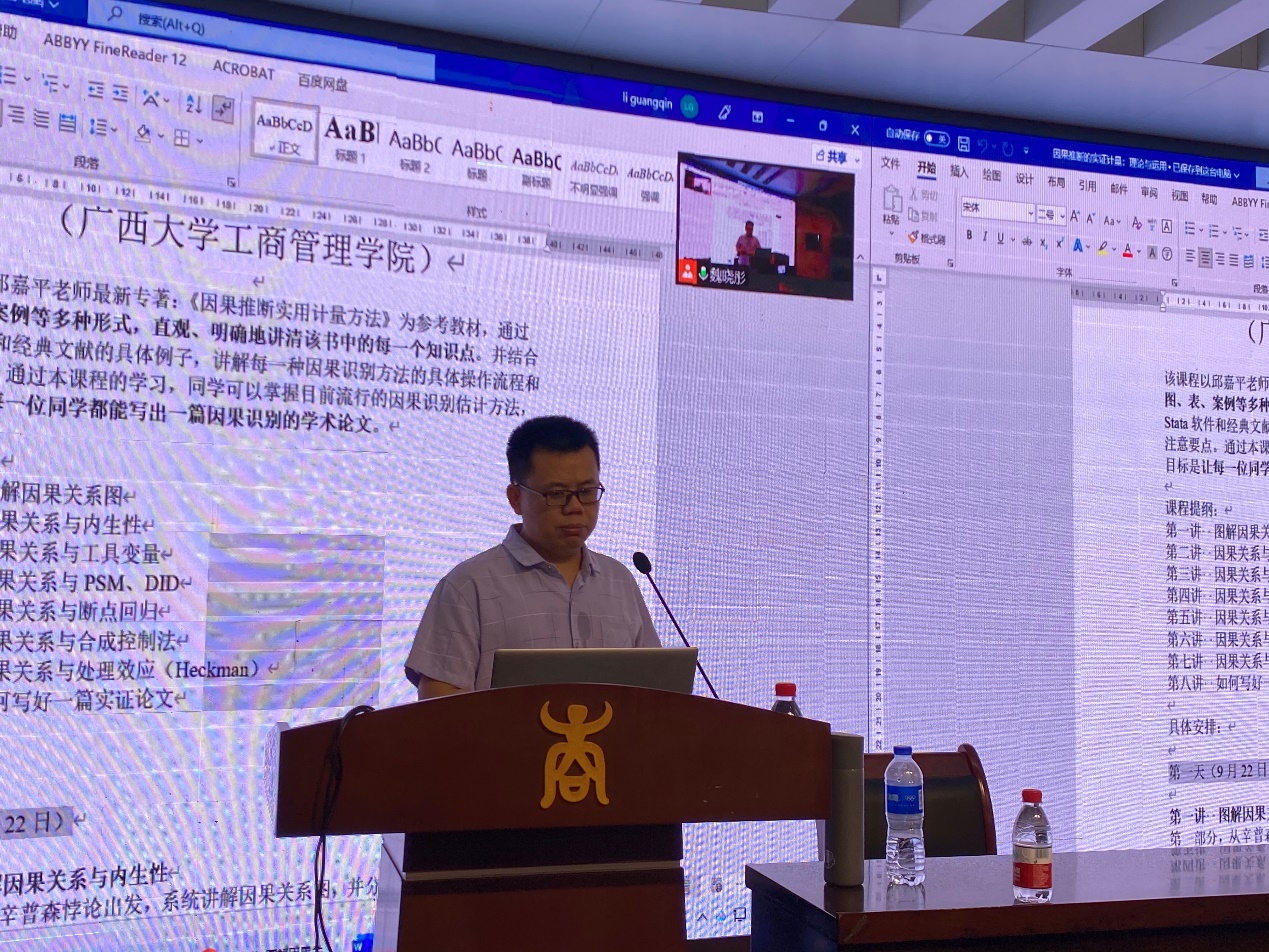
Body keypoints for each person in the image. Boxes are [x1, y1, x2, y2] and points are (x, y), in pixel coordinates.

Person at [405, 415, 661, 698]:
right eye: (557, 494)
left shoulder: (619, 581)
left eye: (587, 492)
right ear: (516, 498)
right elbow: (438, 700)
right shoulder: (468, 585)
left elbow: (656, 689)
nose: (575, 507)